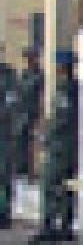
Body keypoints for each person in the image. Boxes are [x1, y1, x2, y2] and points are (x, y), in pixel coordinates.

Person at [28, 50, 79, 245]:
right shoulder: (73, 88)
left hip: (60, 146)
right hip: (67, 145)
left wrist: (44, 135)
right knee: (65, 187)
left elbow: (61, 120)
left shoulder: (65, 89)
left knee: (50, 185)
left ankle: (49, 226)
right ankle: (65, 225)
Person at [14, 46, 43, 178]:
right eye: (27, 59)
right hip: (22, 112)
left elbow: (37, 93)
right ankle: (22, 167)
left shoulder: (39, 75)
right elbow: (19, 92)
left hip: (34, 113)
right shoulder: (24, 74)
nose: (29, 61)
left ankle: (32, 170)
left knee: (33, 143)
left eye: (31, 58)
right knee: (21, 141)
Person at [0, 60, 18, 228]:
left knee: (3, 175)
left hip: (3, 133)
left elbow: (11, 103)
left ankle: (4, 213)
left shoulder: (8, 76)